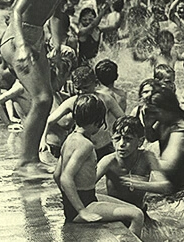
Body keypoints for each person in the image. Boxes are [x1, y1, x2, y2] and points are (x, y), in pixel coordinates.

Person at [0, 0, 90, 176]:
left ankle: (33, 159)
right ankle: (24, 163)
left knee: (47, 98)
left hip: (36, 38)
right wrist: (21, 45)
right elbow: (17, 10)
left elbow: (56, 13)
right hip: (16, 38)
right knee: (40, 99)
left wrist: (58, 46)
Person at [54, 94, 144, 238]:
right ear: (97, 121)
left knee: (131, 208)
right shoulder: (86, 145)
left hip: (82, 201)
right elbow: (65, 178)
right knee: (137, 215)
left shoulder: (69, 139)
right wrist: (81, 210)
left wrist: (68, 198)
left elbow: (56, 174)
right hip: (85, 204)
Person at [95, 116, 161, 215]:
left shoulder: (147, 157)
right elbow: (86, 186)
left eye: (128, 139)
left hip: (140, 211)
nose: (121, 144)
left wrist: (140, 184)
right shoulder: (109, 161)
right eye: (117, 138)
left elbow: (165, 186)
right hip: (116, 212)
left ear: (140, 141)